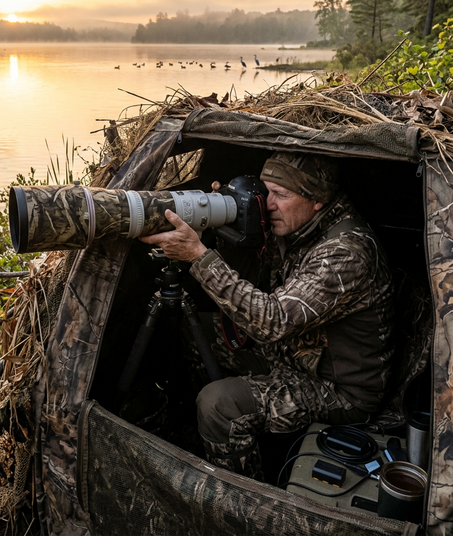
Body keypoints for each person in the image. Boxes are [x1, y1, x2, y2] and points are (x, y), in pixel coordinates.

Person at [140, 151, 395, 479]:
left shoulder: (346, 253)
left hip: (337, 389)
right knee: (197, 331)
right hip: (296, 354)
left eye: (281, 195)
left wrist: (198, 256)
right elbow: (254, 279)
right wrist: (231, 226)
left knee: (218, 405)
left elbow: (271, 321)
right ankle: (211, 436)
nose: (268, 203)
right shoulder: (301, 223)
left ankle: (242, 494)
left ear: (317, 199)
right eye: (265, 191)